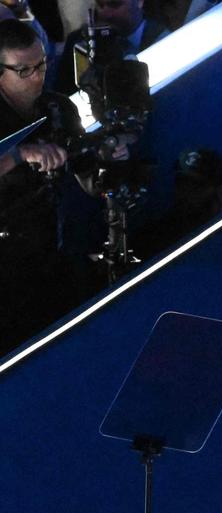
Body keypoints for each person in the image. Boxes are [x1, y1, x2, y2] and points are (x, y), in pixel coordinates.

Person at [0, 18, 82, 352]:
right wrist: (21, 154)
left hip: (52, 248)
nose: (37, 76)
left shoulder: (58, 108)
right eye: (23, 70)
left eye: (42, 65)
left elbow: (83, 163)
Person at [54, 0, 169, 94]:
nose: (105, 13)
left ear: (139, 1)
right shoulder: (80, 44)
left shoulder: (165, 42)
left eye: (114, 4)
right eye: (100, 5)